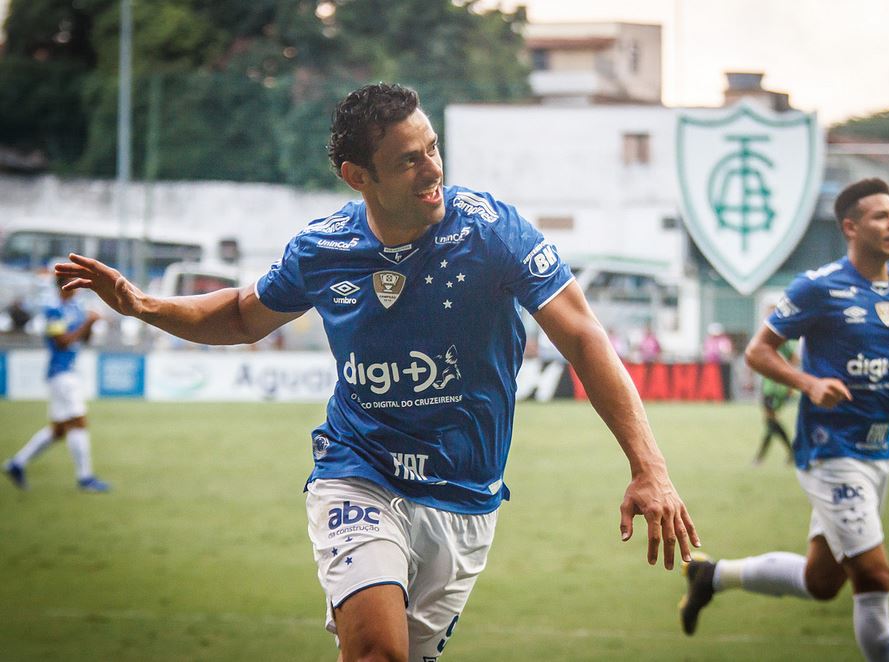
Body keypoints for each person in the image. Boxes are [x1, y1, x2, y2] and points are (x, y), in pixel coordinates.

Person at [54, 83, 698, 661]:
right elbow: (242, 316)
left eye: (433, 149)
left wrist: (649, 466)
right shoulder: (324, 248)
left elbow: (583, 336)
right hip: (357, 471)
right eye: (408, 161)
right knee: (374, 655)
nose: (433, 171)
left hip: (464, 496)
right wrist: (143, 305)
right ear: (357, 176)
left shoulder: (493, 232)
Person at [678, 178, 889, 662]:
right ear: (851, 227)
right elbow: (758, 353)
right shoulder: (818, 287)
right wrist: (808, 384)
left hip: (878, 453)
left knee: (822, 582)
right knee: (875, 577)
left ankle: (711, 577)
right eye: (881, 216)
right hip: (829, 451)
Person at [3, 275, 110, 493]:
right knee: (79, 422)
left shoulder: (76, 307)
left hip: (68, 372)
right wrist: (87, 323)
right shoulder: (53, 310)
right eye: (75, 283)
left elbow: (85, 340)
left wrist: (92, 323)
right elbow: (61, 342)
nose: (79, 287)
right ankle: (85, 478)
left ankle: (17, 463)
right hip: (60, 374)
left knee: (59, 430)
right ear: (64, 285)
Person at [753, 322, 797, 465]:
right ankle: (789, 453)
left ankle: (762, 456)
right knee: (770, 422)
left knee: (770, 420)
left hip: (777, 387)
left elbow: (794, 358)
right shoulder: (768, 335)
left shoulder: (784, 338)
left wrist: (790, 381)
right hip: (768, 384)